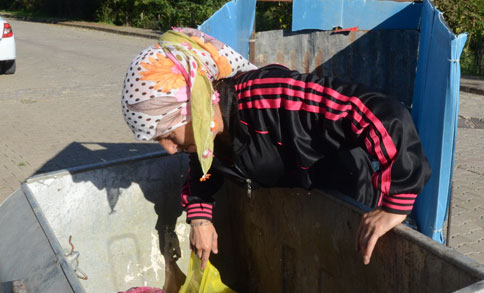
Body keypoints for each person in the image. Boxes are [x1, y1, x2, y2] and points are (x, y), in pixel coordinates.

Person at [122, 28, 431, 269]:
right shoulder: (207, 137)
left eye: (167, 134)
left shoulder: (268, 96)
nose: (169, 149)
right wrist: (200, 217)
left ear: (195, 105)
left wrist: (395, 205)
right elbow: (203, 171)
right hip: (315, 217)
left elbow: (384, 114)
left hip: (356, 210)